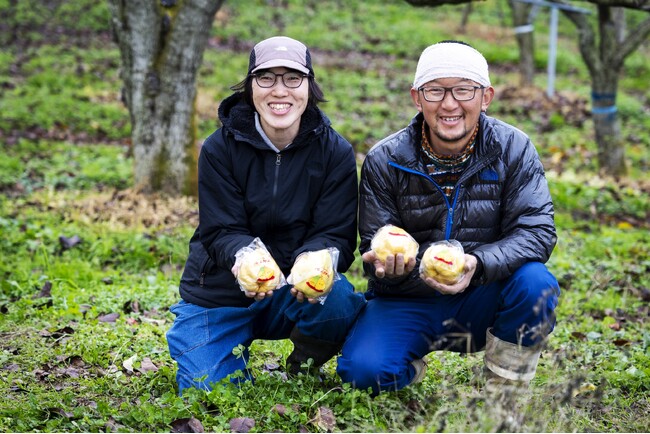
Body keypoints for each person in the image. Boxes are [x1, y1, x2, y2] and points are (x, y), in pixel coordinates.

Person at [336, 40, 560, 395]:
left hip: (482, 293)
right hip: (407, 299)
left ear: (486, 97)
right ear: (417, 97)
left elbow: (536, 232)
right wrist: (385, 265)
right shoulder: (385, 159)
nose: (449, 103)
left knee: (535, 283)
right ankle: (404, 360)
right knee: (363, 372)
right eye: (435, 90)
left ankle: (504, 392)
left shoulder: (514, 148)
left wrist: (477, 263)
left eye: (463, 89)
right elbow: (373, 242)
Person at [166, 36, 365, 393]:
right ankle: (221, 354)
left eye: (292, 78)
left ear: (309, 86)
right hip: (221, 293)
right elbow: (220, 229)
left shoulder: (334, 152)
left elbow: (336, 233)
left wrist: (316, 258)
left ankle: (304, 361)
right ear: (250, 87)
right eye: (266, 78)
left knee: (340, 303)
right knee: (208, 388)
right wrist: (245, 257)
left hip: (294, 291)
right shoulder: (218, 149)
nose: (280, 91)